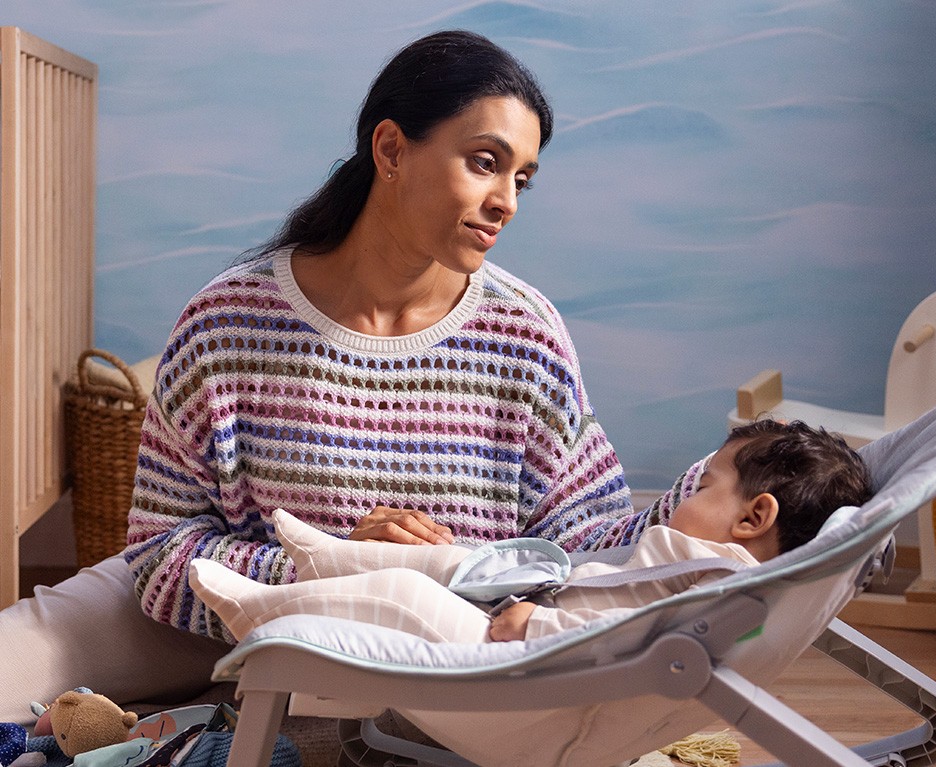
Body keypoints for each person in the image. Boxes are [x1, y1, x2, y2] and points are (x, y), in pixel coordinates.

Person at [0, 30, 686, 723]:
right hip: (234, 613)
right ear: (391, 150)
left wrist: (715, 493)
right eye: (486, 163)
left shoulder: (527, 334)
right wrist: (327, 569)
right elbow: (161, 548)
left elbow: (589, 539)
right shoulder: (228, 320)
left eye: (522, 178)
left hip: (439, 646)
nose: (507, 198)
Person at [189, 420, 874, 645]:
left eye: (705, 486)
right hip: (539, 612)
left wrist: (534, 627)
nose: (686, 495)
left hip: (523, 654)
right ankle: (329, 553)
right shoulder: (711, 564)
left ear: (755, 517)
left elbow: (625, 638)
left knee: (402, 591)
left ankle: (259, 612)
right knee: (455, 561)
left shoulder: (710, 576)